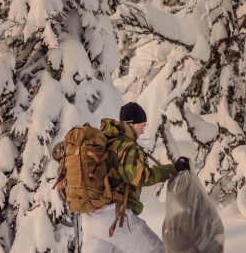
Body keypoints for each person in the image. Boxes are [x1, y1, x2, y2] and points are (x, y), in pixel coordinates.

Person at [79, 102, 191, 253]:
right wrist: (174, 169)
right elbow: (143, 177)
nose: (143, 131)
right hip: (114, 217)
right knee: (157, 250)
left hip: (90, 218)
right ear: (132, 124)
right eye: (142, 125)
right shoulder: (126, 147)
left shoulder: (105, 140)